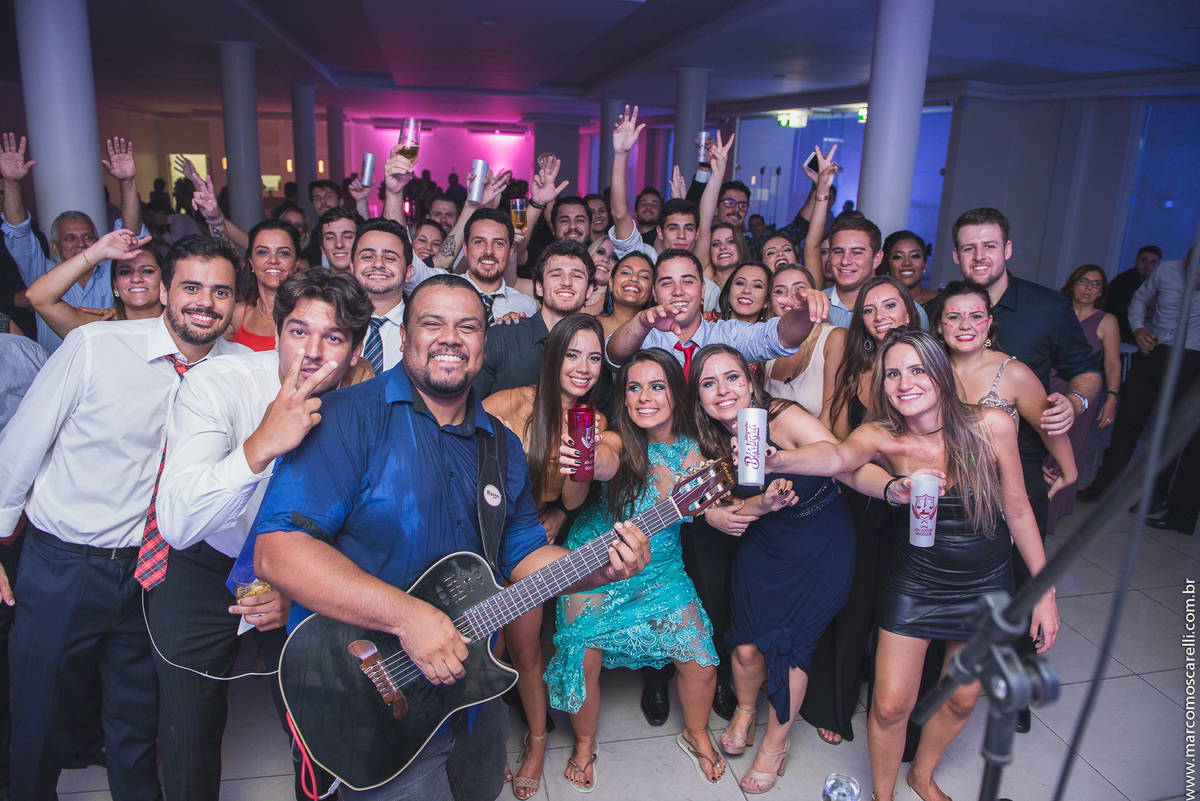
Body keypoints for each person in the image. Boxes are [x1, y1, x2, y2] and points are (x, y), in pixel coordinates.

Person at [252, 274, 651, 801]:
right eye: (431, 323)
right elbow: (276, 551)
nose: (450, 337)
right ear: (401, 336)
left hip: (472, 694)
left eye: (467, 327)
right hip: (372, 694)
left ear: (484, 345)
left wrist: (595, 567)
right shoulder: (345, 419)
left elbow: (524, 551)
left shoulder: (501, 446)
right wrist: (407, 617)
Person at [765, 329, 1059, 801]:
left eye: (917, 369)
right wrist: (780, 460)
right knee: (889, 706)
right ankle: (885, 796)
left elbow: (1019, 510)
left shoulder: (992, 424)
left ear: (939, 373)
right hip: (915, 581)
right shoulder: (881, 435)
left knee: (962, 695)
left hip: (985, 581)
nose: (905, 383)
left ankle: (922, 774)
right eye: (893, 374)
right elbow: (839, 457)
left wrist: (1044, 592)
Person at [0, 234, 244, 801]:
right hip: (65, 565)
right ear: (162, 291)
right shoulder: (95, 347)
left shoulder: (242, 368)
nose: (204, 302)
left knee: (136, 726)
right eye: (190, 287)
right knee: (40, 719)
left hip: (158, 571)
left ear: (235, 303)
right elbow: (17, 449)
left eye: (220, 291)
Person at [151, 269, 372, 801]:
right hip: (207, 563)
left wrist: (296, 587)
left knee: (315, 723)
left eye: (334, 337)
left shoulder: (368, 406)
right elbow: (177, 523)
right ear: (276, 333)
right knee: (188, 725)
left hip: (304, 571)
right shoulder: (217, 383)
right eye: (298, 332)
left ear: (356, 349)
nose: (313, 352)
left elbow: (374, 522)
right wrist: (261, 444)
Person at [691, 344, 895, 794]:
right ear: (699, 396)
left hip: (821, 540)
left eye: (731, 378)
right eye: (709, 383)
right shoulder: (704, 439)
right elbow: (726, 509)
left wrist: (778, 459)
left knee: (792, 649)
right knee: (745, 646)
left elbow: (835, 456)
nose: (723, 390)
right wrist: (764, 501)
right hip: (765, 543)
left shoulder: (780, 415)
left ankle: (775, 744)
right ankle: (746, 709)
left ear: (749, 380)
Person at [545, 348, 726, 790]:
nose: (645, 397)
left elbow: (718, 499)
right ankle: (586, 742)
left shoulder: (694, 452)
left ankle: (696, 731)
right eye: (634, 388)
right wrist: (585, 461)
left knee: (701, 660)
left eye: (657, 386)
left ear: (675, 394)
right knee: (581, 654)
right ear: (623, 398)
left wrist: (726, 502)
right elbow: (603, 461)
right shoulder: (616, 439)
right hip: (596, 560)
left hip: (660, 570)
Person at [482, 314, 607, 800]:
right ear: (552, 356)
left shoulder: (590, 421)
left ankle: (535, 744)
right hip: (473, 537)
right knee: (478, 652)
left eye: (594, 357)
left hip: (526, 537)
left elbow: (574, 503)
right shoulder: (506, 403)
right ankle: (479, 744)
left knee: (525, 649)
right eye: (573, 354)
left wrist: (578, 468)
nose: (584, 367)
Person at [1080, 249, 1200, 534]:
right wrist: (1138, 327)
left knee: (1170, 434)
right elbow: (1141, 298)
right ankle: (1102, 487)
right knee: (1126, 424)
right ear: (1184, 263)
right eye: (1195, 270)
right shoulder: (1166, 270)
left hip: (1193, 358)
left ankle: (1156, 497)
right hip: (1155, 353)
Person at [936, 280, 1079, 503]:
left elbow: (1048, 426)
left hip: (999, 495)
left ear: (989, 322)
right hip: (941, 489)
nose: (965, 325)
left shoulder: (1013, 373)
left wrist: (1069, 473)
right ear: (939, 325)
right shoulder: (927, 370)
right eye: (954, 317)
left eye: (976, 316)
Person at [1, 133, 145, 352]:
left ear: (97, 240)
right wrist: (11, 183)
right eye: (70, 238)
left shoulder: (112, 271)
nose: (81, 243)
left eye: (87, 236)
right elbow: (18, 231)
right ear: (55, 247)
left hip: (111, 364)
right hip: (60, 372)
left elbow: (130, 234)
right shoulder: (41, 272)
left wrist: (127, 182)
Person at [605, 249, 829, 371]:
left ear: (703, 290)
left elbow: (778, 338)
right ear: (654, 293)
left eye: (688, 282)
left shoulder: (726, 334)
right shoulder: (643, 335)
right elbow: (614, 355)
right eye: (666, 283)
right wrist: (642, 323)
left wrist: (801, 312)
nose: (678, 291)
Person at [474, 239, 601, 400]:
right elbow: (468, 409)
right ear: (539, 287)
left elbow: (600, 414)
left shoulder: (594, 351)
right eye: (556, 274)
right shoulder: (500, 338)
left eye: (576, 276)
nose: (567, 283)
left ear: (589, 290)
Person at [1045, 266, 1122, 531]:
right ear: (1073, 283)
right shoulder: (1057, 310)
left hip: (1081, 394)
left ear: (1102, 291)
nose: (1089, 288)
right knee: (1039, 445)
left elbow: (1112, 364)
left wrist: (1111, 398)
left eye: (1097, 284)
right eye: (1084, 281)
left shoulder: (1106, 320)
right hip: (1046, 387)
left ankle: (1050, 512)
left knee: (1065, 451)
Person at [25, 229, 163, 339]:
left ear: (164, 282)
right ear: (115, 285)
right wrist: (98, 252)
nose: (136, 278)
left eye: (147, 271)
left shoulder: (180, 323)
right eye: (125, 272)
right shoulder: (101, 326)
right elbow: (38, 297)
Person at [762, 265, 844, 418]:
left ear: (816, 296)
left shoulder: (835, 338)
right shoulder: (765, 348)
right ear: (769, 302)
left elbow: (833, 414)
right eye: (780, 291)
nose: (790, 298)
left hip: (823, 440)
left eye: (799, 290)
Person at [227, 220, 301, 351]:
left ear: (296, 263)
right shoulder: (237, 313)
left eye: (283, 253)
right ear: (251, 262)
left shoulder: (310, 313)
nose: (273, 260)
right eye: (263, 252)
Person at [461, 207, 537, 322]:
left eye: (498, 243)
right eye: (479, 242)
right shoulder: (443, 293)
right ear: (465, 249)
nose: (489, 251)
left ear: (510, 252)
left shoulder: (525, 306)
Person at [1107, 245, 1162, 344]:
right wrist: (1156, 313)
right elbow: (1127, 312)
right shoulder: (1123, 281)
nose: (1147, 266)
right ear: (1136, 261)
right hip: (1117, 335)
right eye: (1144, 260)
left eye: (1153, 262)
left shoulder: (1153, 283)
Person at [597, 251, 654, 342]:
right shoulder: (588, 325)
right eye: (626, 272)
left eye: (644, 276)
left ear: (652, 292)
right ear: (611, 283)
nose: (634, 278)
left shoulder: (658, 336)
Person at [884, 230, 940, 306]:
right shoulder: (876, 302)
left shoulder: (943, 303)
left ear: (925, 263)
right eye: (898, 257)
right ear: (887, 264)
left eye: (915, 256)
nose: (907, 263)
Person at [706, 222, 751, 290]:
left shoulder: (754, 282)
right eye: (716, 244)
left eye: (730, 242)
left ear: (740, 246)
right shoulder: (705, 281)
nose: (722, 247)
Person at [316, 205, 361, 273]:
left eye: (348, 237)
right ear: (322, 247)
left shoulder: (375, 282)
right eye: (330, 238)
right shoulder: (311, 283)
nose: (339, 244)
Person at [582, 236, 615, 317]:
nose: (605, 259)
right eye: (601, 252)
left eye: (614, 257)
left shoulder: (617, 306)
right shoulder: (568, 289)